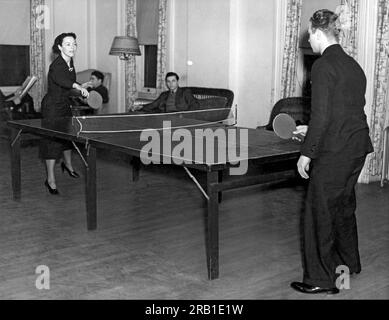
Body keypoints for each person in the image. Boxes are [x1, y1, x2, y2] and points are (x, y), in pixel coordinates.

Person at [290, 9, 373, 294]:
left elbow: (323, 115)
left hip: (335, 150)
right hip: (356, 146)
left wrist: (307, 152)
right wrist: (310, 128)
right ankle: (349, 265)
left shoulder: (323, 65)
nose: (308, 42)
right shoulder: (352, 64)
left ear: (316, 33)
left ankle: (321, 280)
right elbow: (344, 109)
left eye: (309, 36)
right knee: (343, 207)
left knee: (319, 212)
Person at [39, 32, 89, 195]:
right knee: (52, 143)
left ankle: (67, 165)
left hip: (64, 105)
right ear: (59, 47)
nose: (72, 47)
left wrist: (81, 90)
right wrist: (78, 86)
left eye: (74, 44)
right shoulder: (57, 65)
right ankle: (51, 180)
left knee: (67, 138)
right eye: (68, 44)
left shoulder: (70, 62)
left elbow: (68, 89)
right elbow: (63, 81)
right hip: (52, 107)